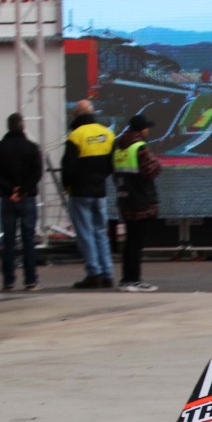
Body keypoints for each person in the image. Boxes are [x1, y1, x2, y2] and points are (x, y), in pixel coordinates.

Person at [0, 112, 45, 292]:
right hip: (27, 198)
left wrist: (10, 189)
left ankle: (8, 280)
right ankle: (30, 280)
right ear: (23, 127)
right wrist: (22, 190)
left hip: (7, 198)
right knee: (28, 239)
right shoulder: (32, 147)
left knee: (9, 240)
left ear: (8, 126)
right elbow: (37, 173)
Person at [62, 103, 115, 288]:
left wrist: (67, 186)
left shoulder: (76, 136)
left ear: (76, 115)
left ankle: (94, 273)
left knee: (85, 233)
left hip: (80, 191)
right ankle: (108, 273)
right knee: (101, 231)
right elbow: (111, 164)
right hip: (100, 191)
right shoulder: (107, 133)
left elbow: (68, 168)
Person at [112, 112, 160, 293]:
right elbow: (151, 170)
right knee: (137, 243)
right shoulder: (140, 147)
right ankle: (134, 279)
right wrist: (157, 164)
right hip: (142, 200)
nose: (148, 130)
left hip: (125, 199)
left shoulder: (119, 147)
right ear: (142, 129)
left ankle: (127, 279)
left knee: (130, 241)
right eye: (147, 127)